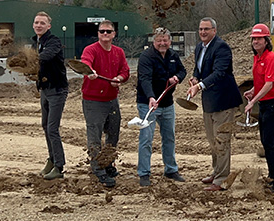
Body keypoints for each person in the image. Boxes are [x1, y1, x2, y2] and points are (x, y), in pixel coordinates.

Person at [187, 17, 242, 192]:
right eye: (201, 29)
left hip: (224, 101)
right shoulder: (199, 48)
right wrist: (195, 77)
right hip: (209, 101)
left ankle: (221, 179)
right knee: (212, 140)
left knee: (222, 140)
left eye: (206, 29)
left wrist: (199, 86)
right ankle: (216, 171)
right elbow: (199, 68)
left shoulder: (222, 47)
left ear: (214, 31)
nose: (203, 32)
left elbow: (219, 73)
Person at [80, 20, 130, 188]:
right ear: (98, 34)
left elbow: (125, 71)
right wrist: (89, 71)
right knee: (94, 137)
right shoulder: (91, 50)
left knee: (113, 134)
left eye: (108, 31)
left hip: (111, 99)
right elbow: (85, 62)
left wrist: (119, 79)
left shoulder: (119, 52)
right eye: (102, 31)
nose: (105, 34)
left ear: (114, 34)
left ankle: (108, 163)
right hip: (93, 100)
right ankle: (98, 169)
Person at [136, 27, 187, 187]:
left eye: (165, 40)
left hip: (167, 103)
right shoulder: (146, 57)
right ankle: (144, 173)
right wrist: (151, 97)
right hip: (148, 104)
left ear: (170, 41)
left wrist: (177, 78)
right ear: (154, 41)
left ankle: (171, 169)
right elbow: (144, 79)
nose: (162, 43)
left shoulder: (173, 56)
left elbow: (182, 70)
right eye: (159, 40)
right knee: (146, 139)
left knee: (169, 137)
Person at [244, 23, 274, 193]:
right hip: (264, 103)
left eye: (259, 38)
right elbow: (261, 81)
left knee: (268, 142)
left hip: (273, 103)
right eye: (254, 39)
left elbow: (269, 84)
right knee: (265, 141)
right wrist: (253, 90)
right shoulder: (257, 58)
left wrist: (253, 101)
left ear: (267, 40)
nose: (256, 41)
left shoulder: (271, 58)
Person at [32, 11, 69, 180]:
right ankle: (52, 159)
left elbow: (47, 56)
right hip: (45, 90)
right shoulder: (36, 43)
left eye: (42, 23)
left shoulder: (53, 41)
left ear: (48, 26)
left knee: (53, 128)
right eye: (36, 22)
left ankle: (59, 166)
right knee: (45, 125)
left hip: (57, 90)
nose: (39, 25)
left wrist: (32, 61)